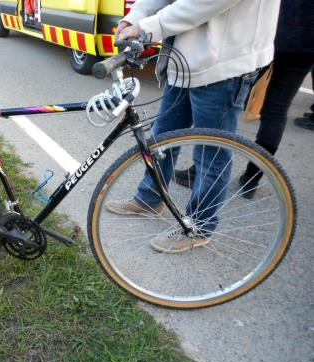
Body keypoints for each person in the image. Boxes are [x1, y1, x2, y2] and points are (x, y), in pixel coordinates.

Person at [106, 0, 280, 253]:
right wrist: (134, 17)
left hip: (224, 64)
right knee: (161, 138)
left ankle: (199, 226)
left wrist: (149, 26)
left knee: (212, 154)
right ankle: (150, 198)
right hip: (185, 59)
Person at [175, 0, 314, 198]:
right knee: (276, 110)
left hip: (273, 31)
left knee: (230, 98)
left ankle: (202, 171)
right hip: (307, 41)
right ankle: (251, 178)